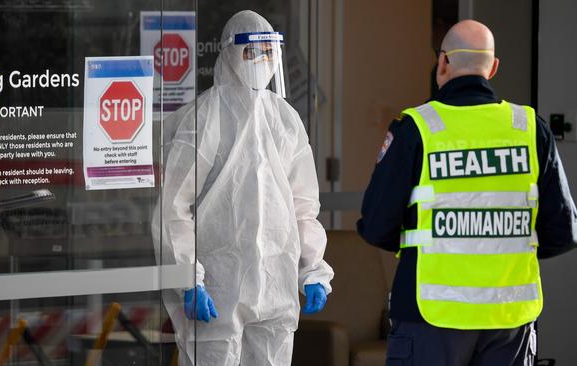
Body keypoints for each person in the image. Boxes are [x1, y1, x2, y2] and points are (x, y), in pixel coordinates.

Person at [357, 20, 577, 365]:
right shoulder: (530, 128)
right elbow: (563, 232)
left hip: (430, 316)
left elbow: (375, 225)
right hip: (509, 320)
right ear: (493, 67)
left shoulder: (416, 128)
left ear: (442, 63)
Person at [152, 10, 334, 366]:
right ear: (231, 54)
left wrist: (312, 268)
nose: (263, 61)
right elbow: (174, 208)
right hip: (219, 287)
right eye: (253, 52)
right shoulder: (205, 118)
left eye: (269, 52)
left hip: (276, 285)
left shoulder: (284, 119)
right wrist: (188, 276)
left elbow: (303, 205)